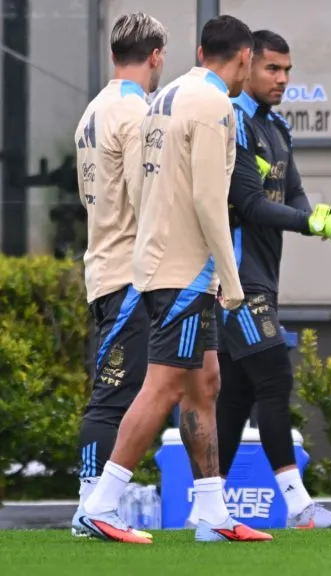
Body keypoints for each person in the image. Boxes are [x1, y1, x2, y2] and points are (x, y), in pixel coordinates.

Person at [75, 15, 272, 544]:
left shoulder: (166, 96)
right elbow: (209, 199)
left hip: (158, 264)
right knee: (160, 386)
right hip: (184, 271)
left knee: (205, 383)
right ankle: (101, 503)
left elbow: (146, 189)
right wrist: (231, 278)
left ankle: (211, 511)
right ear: (244, 58)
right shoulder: (213, 105)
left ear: (200, 52)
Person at [207, 29, 331, 530]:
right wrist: (307, 223)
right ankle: (300, 507)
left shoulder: (277, 126)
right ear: (247, 64)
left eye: (288, 70)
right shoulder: (231, 121)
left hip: (260, 279)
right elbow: (251, 205)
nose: (282, 79)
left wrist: (324, 222)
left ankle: (208, 512)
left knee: (236, 396)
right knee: (275, 377)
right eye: (272, 69)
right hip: (233, 280)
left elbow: (293, 192)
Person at [72, 12, 167, 540]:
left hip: (102, 266)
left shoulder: (93, 110)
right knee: (113, 395)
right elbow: (145, 196)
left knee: (129, 391)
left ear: (113, 53)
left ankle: (95, 505)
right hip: (130, 274)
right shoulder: (136, 112)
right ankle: (91, 507)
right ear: (155, 56)